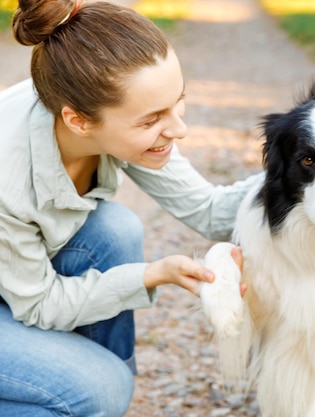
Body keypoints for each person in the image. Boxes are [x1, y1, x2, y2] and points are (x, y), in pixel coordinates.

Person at [0, 0, 261, 415]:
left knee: (114, 229)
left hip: (12, 281)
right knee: (100, 389)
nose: (179, 128)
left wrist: (309, 166)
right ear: (79, 121)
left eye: (179, 102)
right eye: (152, 119)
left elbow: (210, 211)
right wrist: (153, 274)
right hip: (21, 294)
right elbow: (40, 304)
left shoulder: (105, 107)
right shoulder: (6, 172)